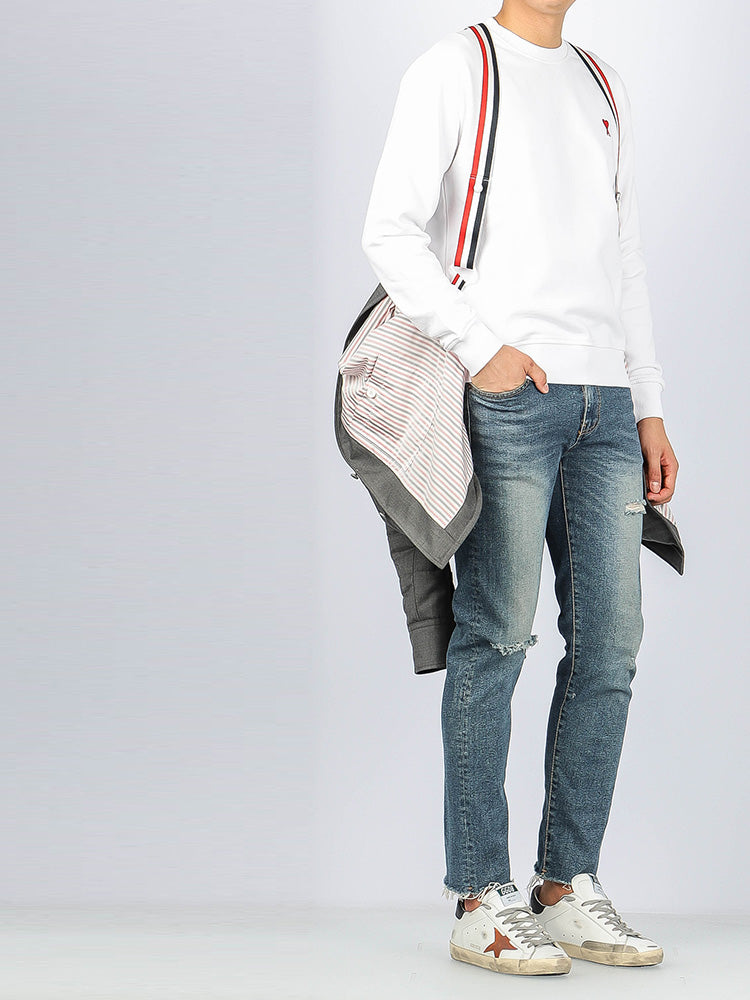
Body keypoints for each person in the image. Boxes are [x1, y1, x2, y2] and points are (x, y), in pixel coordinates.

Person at [360, 0, 679, 977]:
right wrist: (480, 348)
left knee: (611, 647)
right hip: (507, 397)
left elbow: (624, 256)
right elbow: (390, 232)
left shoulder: (601, 81)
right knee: (495, 637)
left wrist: (648, 403)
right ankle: (479, 895)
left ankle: (564, 884)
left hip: (605, 406)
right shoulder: (457, 67)